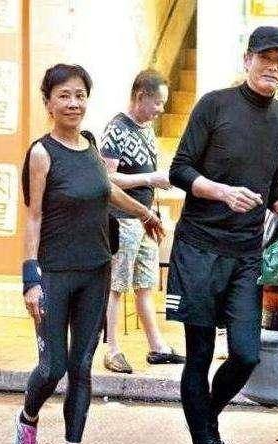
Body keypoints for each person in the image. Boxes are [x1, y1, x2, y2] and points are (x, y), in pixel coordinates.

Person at [14, 63, 164, 444]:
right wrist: (30, 278)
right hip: (54, 275)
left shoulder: (92, 143)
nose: (73, 103)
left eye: (79, 95)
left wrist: (145, 214)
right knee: (52, 367)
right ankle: (27, 420)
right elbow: (33, 217)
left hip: (96, 272)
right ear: (48, 102)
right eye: (63, 95)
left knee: (81, 366)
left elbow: (106, 189)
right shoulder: (42, 153)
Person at [165, 26, 278, 444]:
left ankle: (206, 421)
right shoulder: (214, 105)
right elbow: (179, 170)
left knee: (245, 354)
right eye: (265, 58)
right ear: (247, 60)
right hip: (199, 248)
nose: (273, 67)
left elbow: (271, 183)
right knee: (200, 355)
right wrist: (222, 192)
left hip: (246, 255)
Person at [100, 69, 185, 374]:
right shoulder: (116, 128)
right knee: (116, 285)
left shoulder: (146, 129)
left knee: (145, 285)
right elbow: (107, 178)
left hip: (145, 218)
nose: (160, 109)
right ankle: (111, 349)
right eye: (158, 102)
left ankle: (157, 346)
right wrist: (150, 178)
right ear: (140, 97)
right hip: (123, 219)